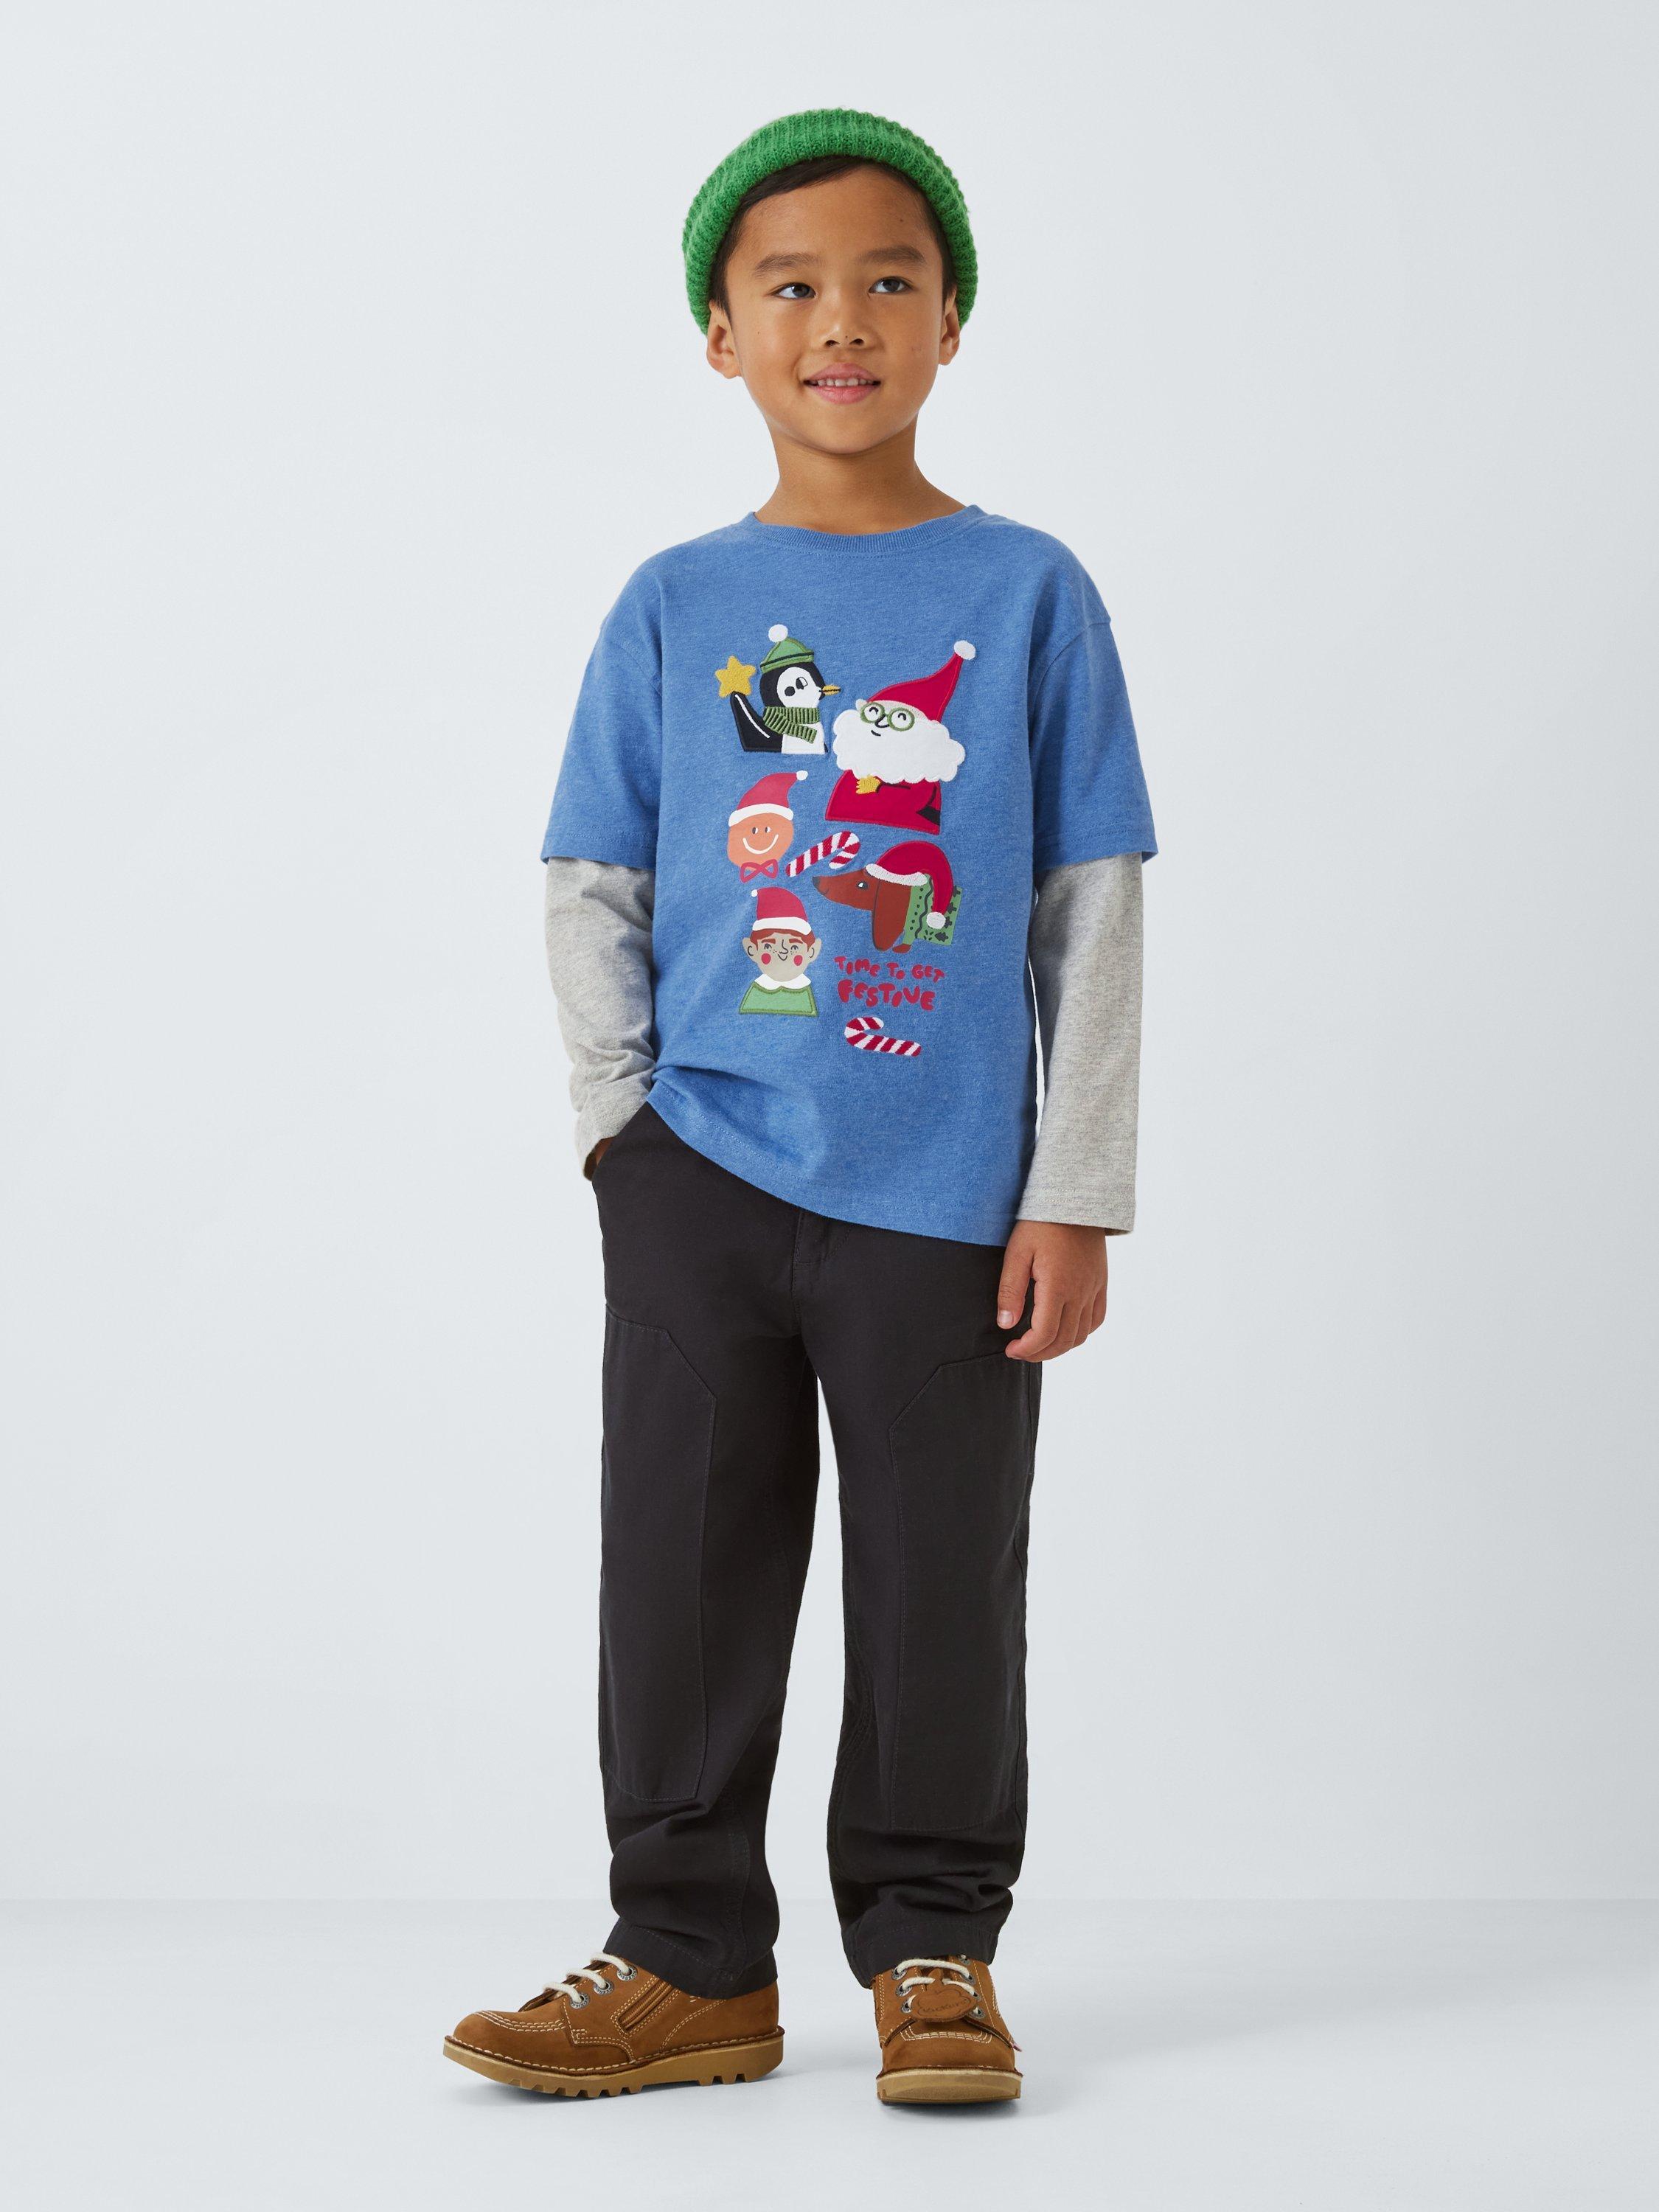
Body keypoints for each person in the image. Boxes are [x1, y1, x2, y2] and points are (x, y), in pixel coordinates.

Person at [444, 108, 1155, 2107]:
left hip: (950, 1196)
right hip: (700, 1173)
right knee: (680, 1569)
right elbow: (592, 874)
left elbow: (1089, 902)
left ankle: (934, 1948)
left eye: (887, 282)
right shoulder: (677, 603)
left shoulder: (1028, 591)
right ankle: (686, 1962)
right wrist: (619, 1129)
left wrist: (1077, 1183)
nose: (842, 320)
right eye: (793, 287)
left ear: (949, 324)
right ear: (722, 335)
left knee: (942, 1579)